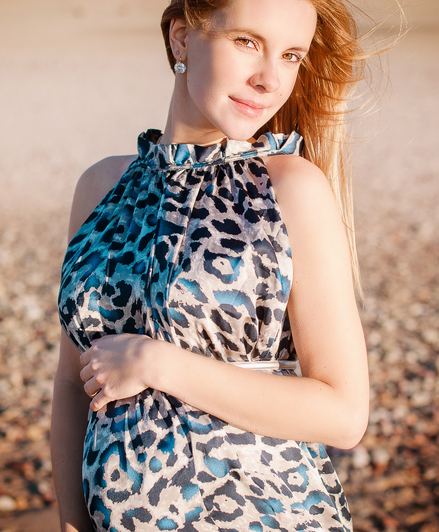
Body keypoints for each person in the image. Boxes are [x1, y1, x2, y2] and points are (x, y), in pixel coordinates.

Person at [52, 0, 370, 529]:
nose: (270, 79)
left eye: (291, 55)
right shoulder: (101, 186)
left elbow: (344, 415)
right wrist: (73, 523)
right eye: (247, 42)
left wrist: (160, 364)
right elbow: (71, 382)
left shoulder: (289, 188)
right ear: (181, 38)